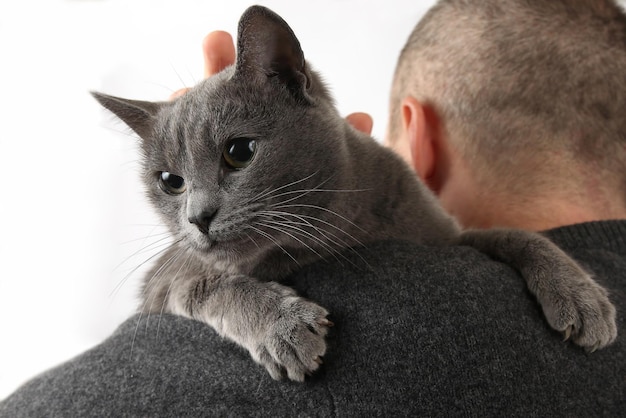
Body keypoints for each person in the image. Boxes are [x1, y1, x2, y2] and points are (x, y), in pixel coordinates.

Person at [1, 0, 624, 416]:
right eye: (170, 182)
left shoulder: (397, 193)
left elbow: (459, 245)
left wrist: (532, 253)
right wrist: (240, 303)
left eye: (238, 151)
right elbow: (169, 284)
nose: (196, 211)